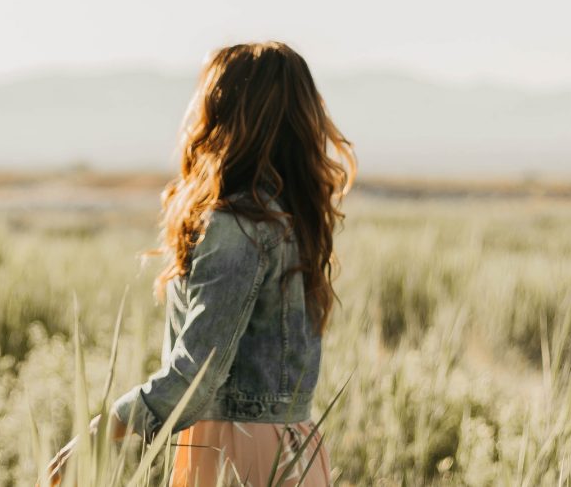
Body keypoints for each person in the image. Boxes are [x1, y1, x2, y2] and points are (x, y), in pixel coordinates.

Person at [46, 41, 356, 486]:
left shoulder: (238, 225)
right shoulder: (291, 221)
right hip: (295, 449)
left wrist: (103, 430)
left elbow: (197, 373)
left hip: (232, 449)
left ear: (223, 113)